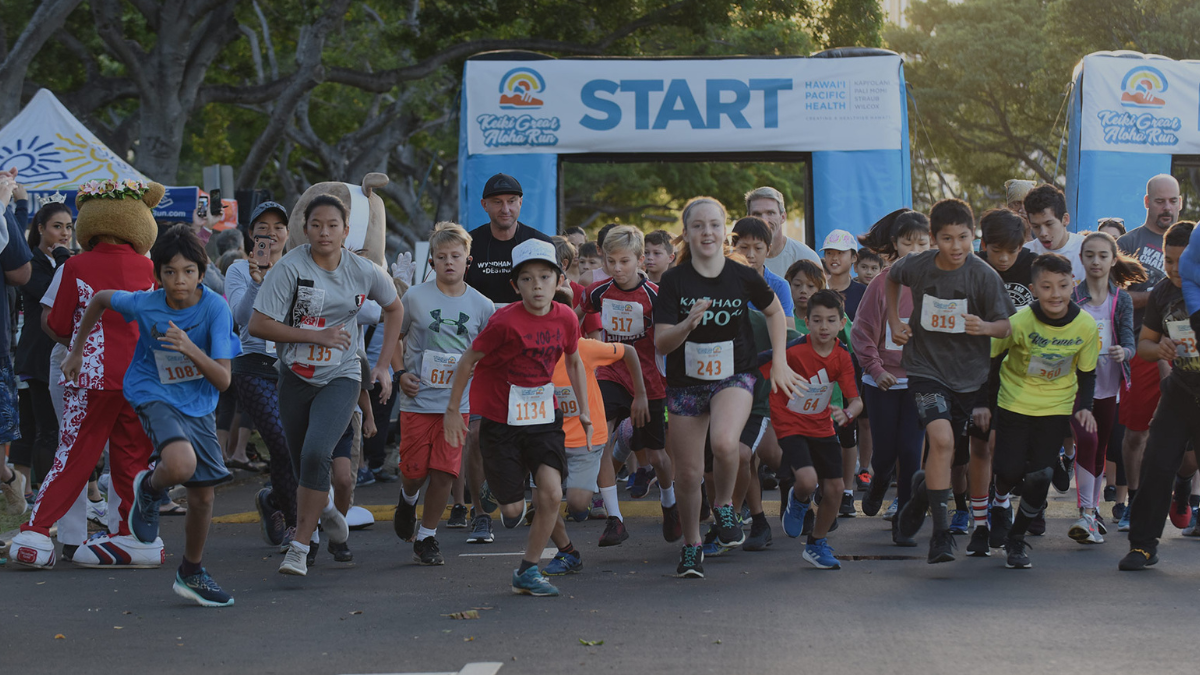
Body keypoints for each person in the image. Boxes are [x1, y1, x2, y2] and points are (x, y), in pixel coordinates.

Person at [63, 225, 241, 605]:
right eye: (170, 272)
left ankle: (191, 572)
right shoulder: (145, 303)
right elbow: (99, 300)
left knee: (203, 498)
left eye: (189, 271)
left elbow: (224, 380)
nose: (180, 281)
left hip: (199, 403)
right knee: (179, 464)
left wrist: (190, 347)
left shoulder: (215, 308)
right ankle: (150, 489)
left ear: (201, 271)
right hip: (151, 391)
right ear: (157, 274)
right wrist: (76, 350)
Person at [249, 194, 402, 577]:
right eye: (316, 225)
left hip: (342, 374)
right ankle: (329, 511)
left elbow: (394, 307)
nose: (324, 232)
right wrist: (316, 337)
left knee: (319, 453)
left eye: (333, 225)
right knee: (305, 463)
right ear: (306, 229)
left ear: (345, 231)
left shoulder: (362, 269)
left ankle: (299, 547)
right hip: (295, 376)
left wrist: (383, 366)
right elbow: (258, 325)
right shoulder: (289, 268)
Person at [11, 180, 158, 571]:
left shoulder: (76, 265)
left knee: (74, 455)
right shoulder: (148, 267)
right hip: (139, 378)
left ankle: (37, 531)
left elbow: (55, 323)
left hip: (88, 378)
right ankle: (132, 534)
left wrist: (80, 341)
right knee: (132, 458)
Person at [653, 196, 800, 578]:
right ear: (686, 233)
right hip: (686, 383)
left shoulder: (742, 275)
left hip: (735, 375)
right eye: (698, 225)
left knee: (724, 443)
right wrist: (687, 323)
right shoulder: (673, 280)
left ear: (725, 233)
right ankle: (691, 545)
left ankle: (723, 506)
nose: (707, 232)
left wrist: (780, 360)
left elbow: (773, 311)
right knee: (687, 475)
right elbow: (662, 344)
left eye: (715, 225)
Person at [442, 238, 591, 597]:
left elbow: (573, 360)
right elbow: (468, 361)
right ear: (515, 285)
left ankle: (527, 570)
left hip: (542, 416)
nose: (537, 285)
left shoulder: (566, 317)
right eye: (527, 279)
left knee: (552, 494)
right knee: (511, 511)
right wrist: (453, 410)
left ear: (559, 280)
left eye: (544, 276)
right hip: (500, 418)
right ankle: (499, 482)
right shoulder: (503, 321)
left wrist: (583, 409)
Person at [887, 198, 1013, 564]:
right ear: (933, 238)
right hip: (926, 369)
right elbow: (892, 277)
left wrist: (985, 327)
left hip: (971, 378)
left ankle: (921, 493)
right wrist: (895, 320)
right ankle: (941, 535)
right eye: (947, 238)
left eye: (964, 237)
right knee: (940, 442)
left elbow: (1007, 326)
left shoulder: (984, 275)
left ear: (974, 236)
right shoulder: (919, 265)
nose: (957, 247)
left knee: (953, 453)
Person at [392, 222, 493, 565]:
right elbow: (394, 338)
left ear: (468, 260)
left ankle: (427, 537)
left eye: (456, 256)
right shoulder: (416, 297)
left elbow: (488, 353)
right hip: (418, 400)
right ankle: (407, 499)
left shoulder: (482, 305)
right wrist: (400, 372)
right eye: (442, 256)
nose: (449, 262)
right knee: (415, 471)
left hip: (457, 404)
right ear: (432, 261)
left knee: (445, 473)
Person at [988, 253, 1098, 568]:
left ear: (1073, 285)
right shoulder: (1019, 321)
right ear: (1033, 289)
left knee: (1039, 477)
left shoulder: (1085, 325)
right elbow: (994, 360)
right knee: (1008, 472)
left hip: (1055, 406)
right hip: (1014, 403)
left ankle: (1017, 539)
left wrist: (1085, 409)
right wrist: (985, 404)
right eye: (1046, 287)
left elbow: (1087, 372)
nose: (1055, 294)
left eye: (1063, 286)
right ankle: (1000, 501)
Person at [462, 173, 552, 544]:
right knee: (477, 433)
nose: (505, 208)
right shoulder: (469, 242)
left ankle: (527, 498)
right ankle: (480, 514)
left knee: (531, 431)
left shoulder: (538, 243)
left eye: (511, 200)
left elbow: (555, 295)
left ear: (519, 204)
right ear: (485, 206)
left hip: (530, 354)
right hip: (481, 351)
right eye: (497, 202)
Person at [580, 225, 679, 547]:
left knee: (658, 455)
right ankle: (615, 518)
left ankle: (669, 502)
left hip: (649, 381)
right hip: (610, 375)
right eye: (611, 261)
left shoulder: (655, 295)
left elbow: (669, 337)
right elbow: (575, 316)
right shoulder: (597, 291)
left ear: (640, 260)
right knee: (597, 440)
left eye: (624, 261)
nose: (617, 268)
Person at [1119, 220, 1200, 570]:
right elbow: (1144, 344)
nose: (1174, 268)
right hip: (1179, 392)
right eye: (1168, 260)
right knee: (1156, 464)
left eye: (1183, 261)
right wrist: (1161, 348)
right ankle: (1143, 546)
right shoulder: (1164, 293)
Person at [851, 209, 930, 546]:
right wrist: (876, 370)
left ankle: (904, 520)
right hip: (881, 383)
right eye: (907, 242)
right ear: (895, 245)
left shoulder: (937, 283)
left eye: (922, 243)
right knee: (885, 452)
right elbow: (861, 333)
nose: (914, 249)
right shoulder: (881, 284)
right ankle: (879, 480)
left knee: (911, 452)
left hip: (919, 382)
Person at [768, 289, 862, 569]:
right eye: (817, 320)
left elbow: (856, 401)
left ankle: (817, 543)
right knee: (808, 480)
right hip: (789, 423)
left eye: (831, 320)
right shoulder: (791, 351)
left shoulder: (842, 357)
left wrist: (847, 413)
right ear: (806, 322)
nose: (824, 326)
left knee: (835, 488)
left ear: (841, 323)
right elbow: (757, 367)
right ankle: (798, 500)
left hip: (822, 426)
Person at [226, 201, 302, 549]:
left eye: (278, 227)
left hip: (294, 365)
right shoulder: (239, 270)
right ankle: (292, 524)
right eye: (262, 227)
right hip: (254, 365)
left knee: (296, 448)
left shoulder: (300, 267)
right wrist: (258, 279)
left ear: (288, 234)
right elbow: (242, 318)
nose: (270, 234)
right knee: (280, 442)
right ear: (250, 234)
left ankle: (275, 499)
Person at [968, 208, 1036, 553]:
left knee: (1006, 449)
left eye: (1013, 250)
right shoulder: (972, 267)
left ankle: (1002, 502)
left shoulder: (1036, 266)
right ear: (984, 244)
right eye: (997, 251)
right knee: (979, 446)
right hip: (978, 368)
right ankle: (980, 523)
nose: (1006, 258)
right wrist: (979, 397)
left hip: (1020, 374)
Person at [1068, 232, 1142, 544]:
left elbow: (1130, 342)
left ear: (1113, 260)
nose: (1096, 261)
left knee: (1100, 450)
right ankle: (1086, 513)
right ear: (1082, 259)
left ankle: (1092, 511)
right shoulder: (1072, 297)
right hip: (1076, 386)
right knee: (1087, 440)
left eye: (1102, 255)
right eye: (1090, 255)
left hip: (1110, 385)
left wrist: (1123, 353)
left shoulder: (1121, 299)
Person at [1115, 175, 1179, 530]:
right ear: (1147, 202)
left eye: (1172, 201)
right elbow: (1115, 297)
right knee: (1137, 432)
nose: (1166, 207)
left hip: (1186, 351)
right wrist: (1158, 294)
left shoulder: (1191, 240)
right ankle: (1133, 502)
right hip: (1141, 346)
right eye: (1159, 201)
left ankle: (1187, 497)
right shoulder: (1129, 243)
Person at [544, 328, 632, 575]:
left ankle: (582, 502)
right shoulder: (532, 353)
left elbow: (630, 352)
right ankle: (566, 552)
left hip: (585, 438)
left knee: (578, 506)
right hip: (547, 439)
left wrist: (642, 394)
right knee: (544, 500)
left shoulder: (585, 348)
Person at [11, 203, 72, 499]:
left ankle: (52, 494)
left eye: (68, 227)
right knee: (45, 429)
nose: (64, 233)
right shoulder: (31, 263)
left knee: (59, 429)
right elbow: (58, 294)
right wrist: (63, 259)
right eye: (57, 226)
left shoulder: (65, 260)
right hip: (37, 357)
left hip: (62, 356)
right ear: (40, 229)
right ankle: (45, 495)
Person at [744, 186, 820, 277]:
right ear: (748, 218)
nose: (764, 220)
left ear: (783, 217)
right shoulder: (738, 259)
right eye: (757, 214)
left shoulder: (805, 256)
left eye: (770, 213)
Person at [1024, 184, 1086, 284]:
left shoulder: (1086, 249)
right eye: (1036, 226)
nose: (1043, 233)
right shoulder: (1026, 254)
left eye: (1049, 224)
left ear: (1065, 219)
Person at [732, 216, 794, 317]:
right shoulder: (722, 281)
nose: (750, 255)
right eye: (744, 247)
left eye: (758, 248)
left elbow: (788, 328)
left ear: (768, 250)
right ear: (733, 246)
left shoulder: (779, 286)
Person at [822, 230, 867, 321]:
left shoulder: (864, 292)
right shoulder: (818, 289)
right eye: (829, 253)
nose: (834, 258)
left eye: (840, 253)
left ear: (854, 257)